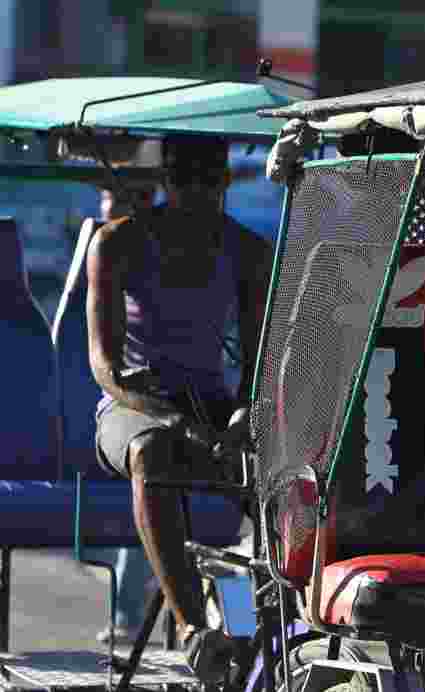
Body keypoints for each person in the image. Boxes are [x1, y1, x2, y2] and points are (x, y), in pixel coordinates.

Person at [86, 136, 272, 680]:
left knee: (275, 465)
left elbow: (259, 363)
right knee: (154, 451)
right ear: (165, 180)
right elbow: (106, 367)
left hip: (211, 410)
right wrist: (168, 417)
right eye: (183, 179)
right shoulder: (116, 243)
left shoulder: (247, 249)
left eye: (208, 180)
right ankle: (195, 629)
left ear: (225, 183)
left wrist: (245, 414)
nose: (195, 191)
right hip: (130, 411)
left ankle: (247, 633)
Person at [90, 182, 160, 647]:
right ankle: (129, 614)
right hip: (129, 408)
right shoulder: (109, 251)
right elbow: (104, 363)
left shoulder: (228, 252)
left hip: (183, 407)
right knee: (152, 461)